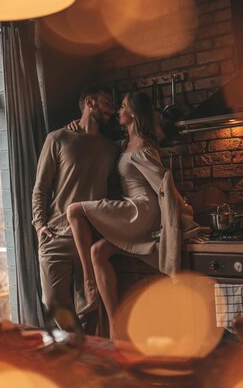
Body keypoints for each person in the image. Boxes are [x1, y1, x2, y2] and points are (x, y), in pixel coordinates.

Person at [67, 91, 198, 338]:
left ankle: (88, 283)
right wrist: (74, 125)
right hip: (133, 208)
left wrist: (184, 213)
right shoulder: (127, 142)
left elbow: (164, 185)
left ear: (134, 114)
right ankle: (116, 329)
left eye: (123, 106)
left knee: (74, 210)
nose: (118, 110)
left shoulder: (143, 147)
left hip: (140, 210)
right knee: (98, 252)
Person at [32, 86, 119, 332]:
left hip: (91, 238)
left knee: (89, 307)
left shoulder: (111, 148)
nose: (112, 109)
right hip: (56, 234)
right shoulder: (58, 138)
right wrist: (40, 225)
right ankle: (79, 349)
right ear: (89, 102)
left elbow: (113, 193)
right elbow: (41, 187)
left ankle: (86, 360)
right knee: (52, 302)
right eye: (107, 102)